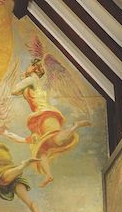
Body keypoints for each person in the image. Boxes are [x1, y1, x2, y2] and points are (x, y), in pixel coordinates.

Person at [10, 58, 90, 186]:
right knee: (41, 150)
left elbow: (14, 91)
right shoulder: (33, 82)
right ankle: (48, 175)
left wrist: (24, 76)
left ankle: (75, 126)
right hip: (40, 116)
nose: (27, 68)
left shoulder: (30, 80)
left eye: (30, 66)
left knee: (56, 140)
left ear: (35, 68)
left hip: (45, 114)